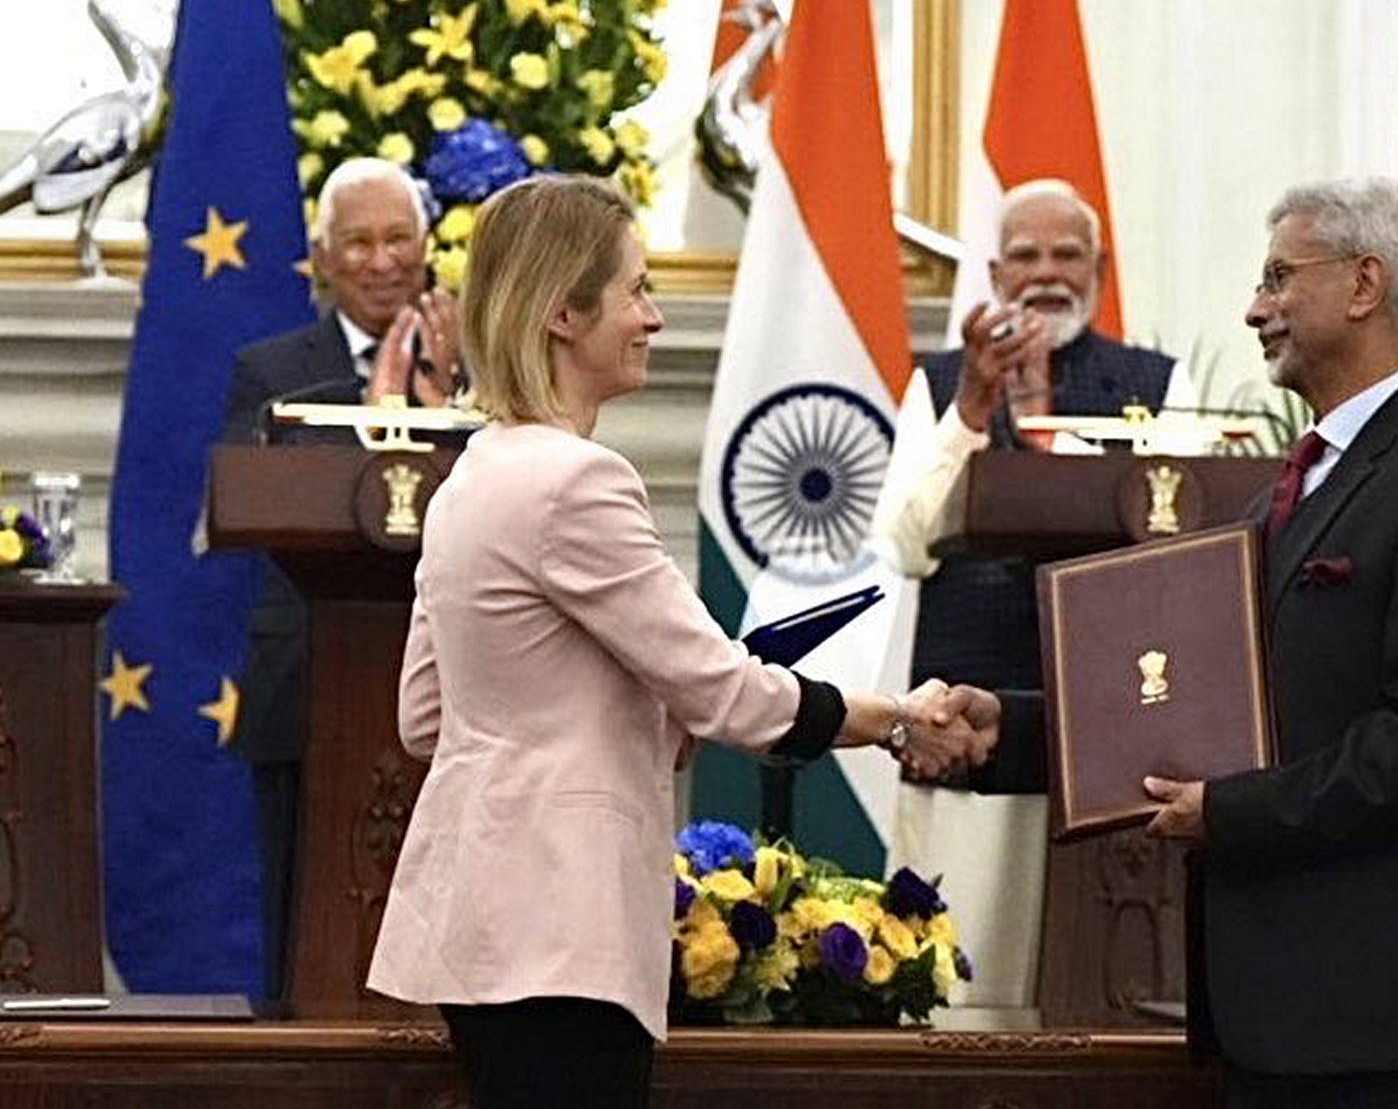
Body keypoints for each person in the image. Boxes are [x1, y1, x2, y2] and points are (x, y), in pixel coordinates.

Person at [364, 174, 996, 1109]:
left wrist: (623, 708)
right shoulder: (578, 481)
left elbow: (426, 717)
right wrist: (895, 719)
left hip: (482, 922)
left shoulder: (471, 476)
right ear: (563, 315)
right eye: (636, 289)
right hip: (561, 922)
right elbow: (726, 694)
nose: (653, 317)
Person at [957, 175, 1398, 1108]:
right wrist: (1004, 732)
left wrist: (1234, 812)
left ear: (1365, 284)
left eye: (1277, 277)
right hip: (1272, 1014)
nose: (1255, 308)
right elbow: (1184, 700)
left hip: (1374, 1018)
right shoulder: (1282, 495)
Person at [870, 177, 1193, 1007]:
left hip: (1113, 732)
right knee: (960, 988)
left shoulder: (1157, 381)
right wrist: (975, 410)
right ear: (994, 270)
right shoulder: (941, 381)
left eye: (1067, 254)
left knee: (1103, 991)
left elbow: (1187, 547)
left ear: (1099, 265)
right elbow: (906, 543)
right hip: (968, 724)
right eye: (1026, 255)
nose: (1047, 273)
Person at [221, 156, 463, 1000]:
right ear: (323, 258)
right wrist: (382, 412)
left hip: (456, 681)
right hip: (307, 681)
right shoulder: (273, 370)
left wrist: (442, 403)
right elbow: (267, 499)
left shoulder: (476, 362)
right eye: (357, 242)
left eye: (399, 238)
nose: (380, 259)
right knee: (301, 922)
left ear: (427, 248)